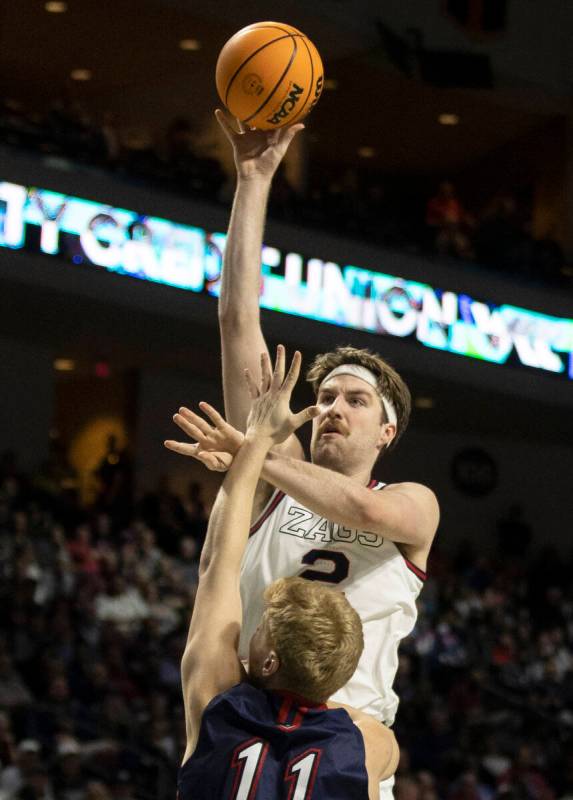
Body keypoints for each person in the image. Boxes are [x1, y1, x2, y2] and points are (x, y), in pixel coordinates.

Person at [166, 113, 440, 800]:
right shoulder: (272, 476)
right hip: (249, 714)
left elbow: (361, 507)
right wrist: (253, 178)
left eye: (354, 400)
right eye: (324, 396)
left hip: (347, 739)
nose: (330, 407)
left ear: (386, 432)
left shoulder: (411, 503)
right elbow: (236, 321)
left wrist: (254, 453)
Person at [173, 346, 399, 799]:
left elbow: (218, 562)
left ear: (268, 661)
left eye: (262, 631)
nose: (249, 638)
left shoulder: (216, 704)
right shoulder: (369, 742)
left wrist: (254, 442)